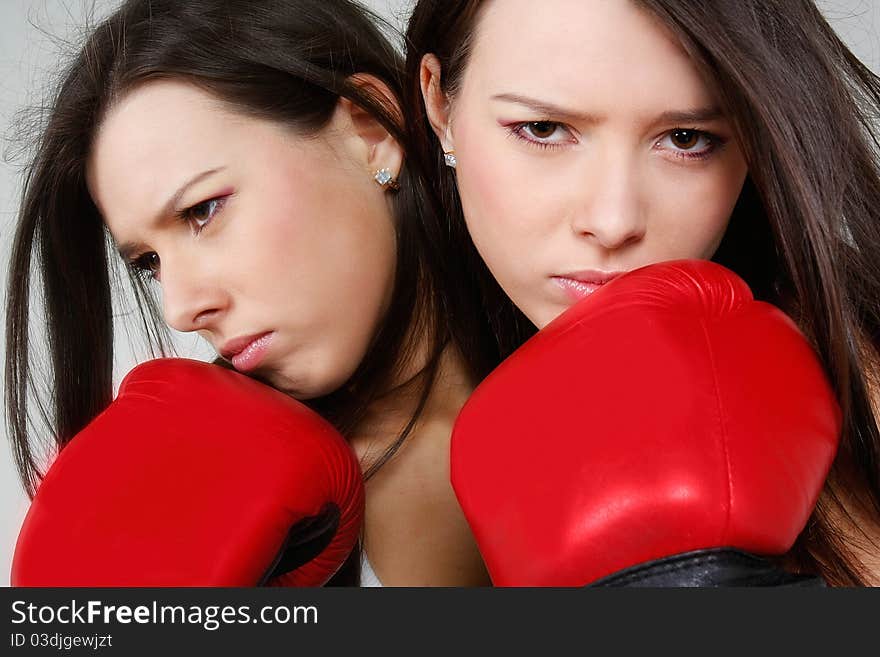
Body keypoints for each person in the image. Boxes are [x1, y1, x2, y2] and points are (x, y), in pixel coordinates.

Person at [5, 0, 499, 587]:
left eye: (203, 210)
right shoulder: (221, 508)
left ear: (370, 129)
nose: (182, 308)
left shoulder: (615, 373)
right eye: (149, 263)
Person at [404, 0, 880, 585]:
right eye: (544, 129)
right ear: (439, 102)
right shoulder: (384, 393)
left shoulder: (857, 382)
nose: (612, 220)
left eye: (686, 138)